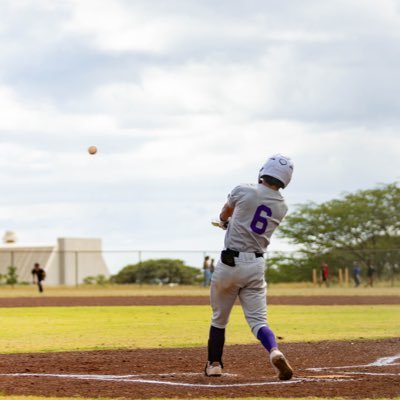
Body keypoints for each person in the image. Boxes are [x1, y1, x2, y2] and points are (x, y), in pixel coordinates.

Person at [205, 154, 294, 380]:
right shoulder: (282, 206)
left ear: (263, 171)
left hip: (230, 262)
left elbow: (225, 214)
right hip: (255, 264)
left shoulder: (243, 190)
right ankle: (274, 350)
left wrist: (226, 223)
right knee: (258, 321)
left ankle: (214, 364)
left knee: (219, 319)